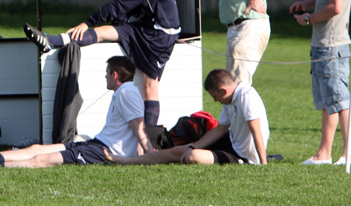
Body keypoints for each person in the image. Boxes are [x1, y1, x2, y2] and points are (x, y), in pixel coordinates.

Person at [23, 0, 180, 126]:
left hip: (161, 35)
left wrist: (87, 23)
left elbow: (114, 8)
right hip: (146, 29)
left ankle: (149, 136)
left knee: (149, 86)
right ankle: (52, 41)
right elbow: (120, 18)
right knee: (104, 31)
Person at [0, 55, 154, 168]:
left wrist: (151, 157)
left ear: (115, 74)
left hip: (102, 152)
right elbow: (135, 133)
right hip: (96, 144)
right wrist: (144, 156)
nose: (105, 77)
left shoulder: (127, 93)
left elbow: (139, 130)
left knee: (41, 160)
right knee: (38, 148)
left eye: (107, 73)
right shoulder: (124, 92)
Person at [105, 68, 269, 166]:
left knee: (192, 157)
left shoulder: (245, 96)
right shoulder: (230, 98)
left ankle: (126, 161)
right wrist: (192, 145)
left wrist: (263, 164)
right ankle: (127, 161)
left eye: (215, 96)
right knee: (181, 150)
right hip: (231, 143)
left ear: (223, 91)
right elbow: (220, 129)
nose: (215, 101)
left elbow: (256, 131)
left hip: (242, 156)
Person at [289, 0, 351, 166]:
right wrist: (307, 3)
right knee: (335, 101)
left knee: (336, 101)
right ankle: (339, 153)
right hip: (327, 45)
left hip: (331, 45)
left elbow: (336, 7)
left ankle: (331, 154)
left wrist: (308, 19)